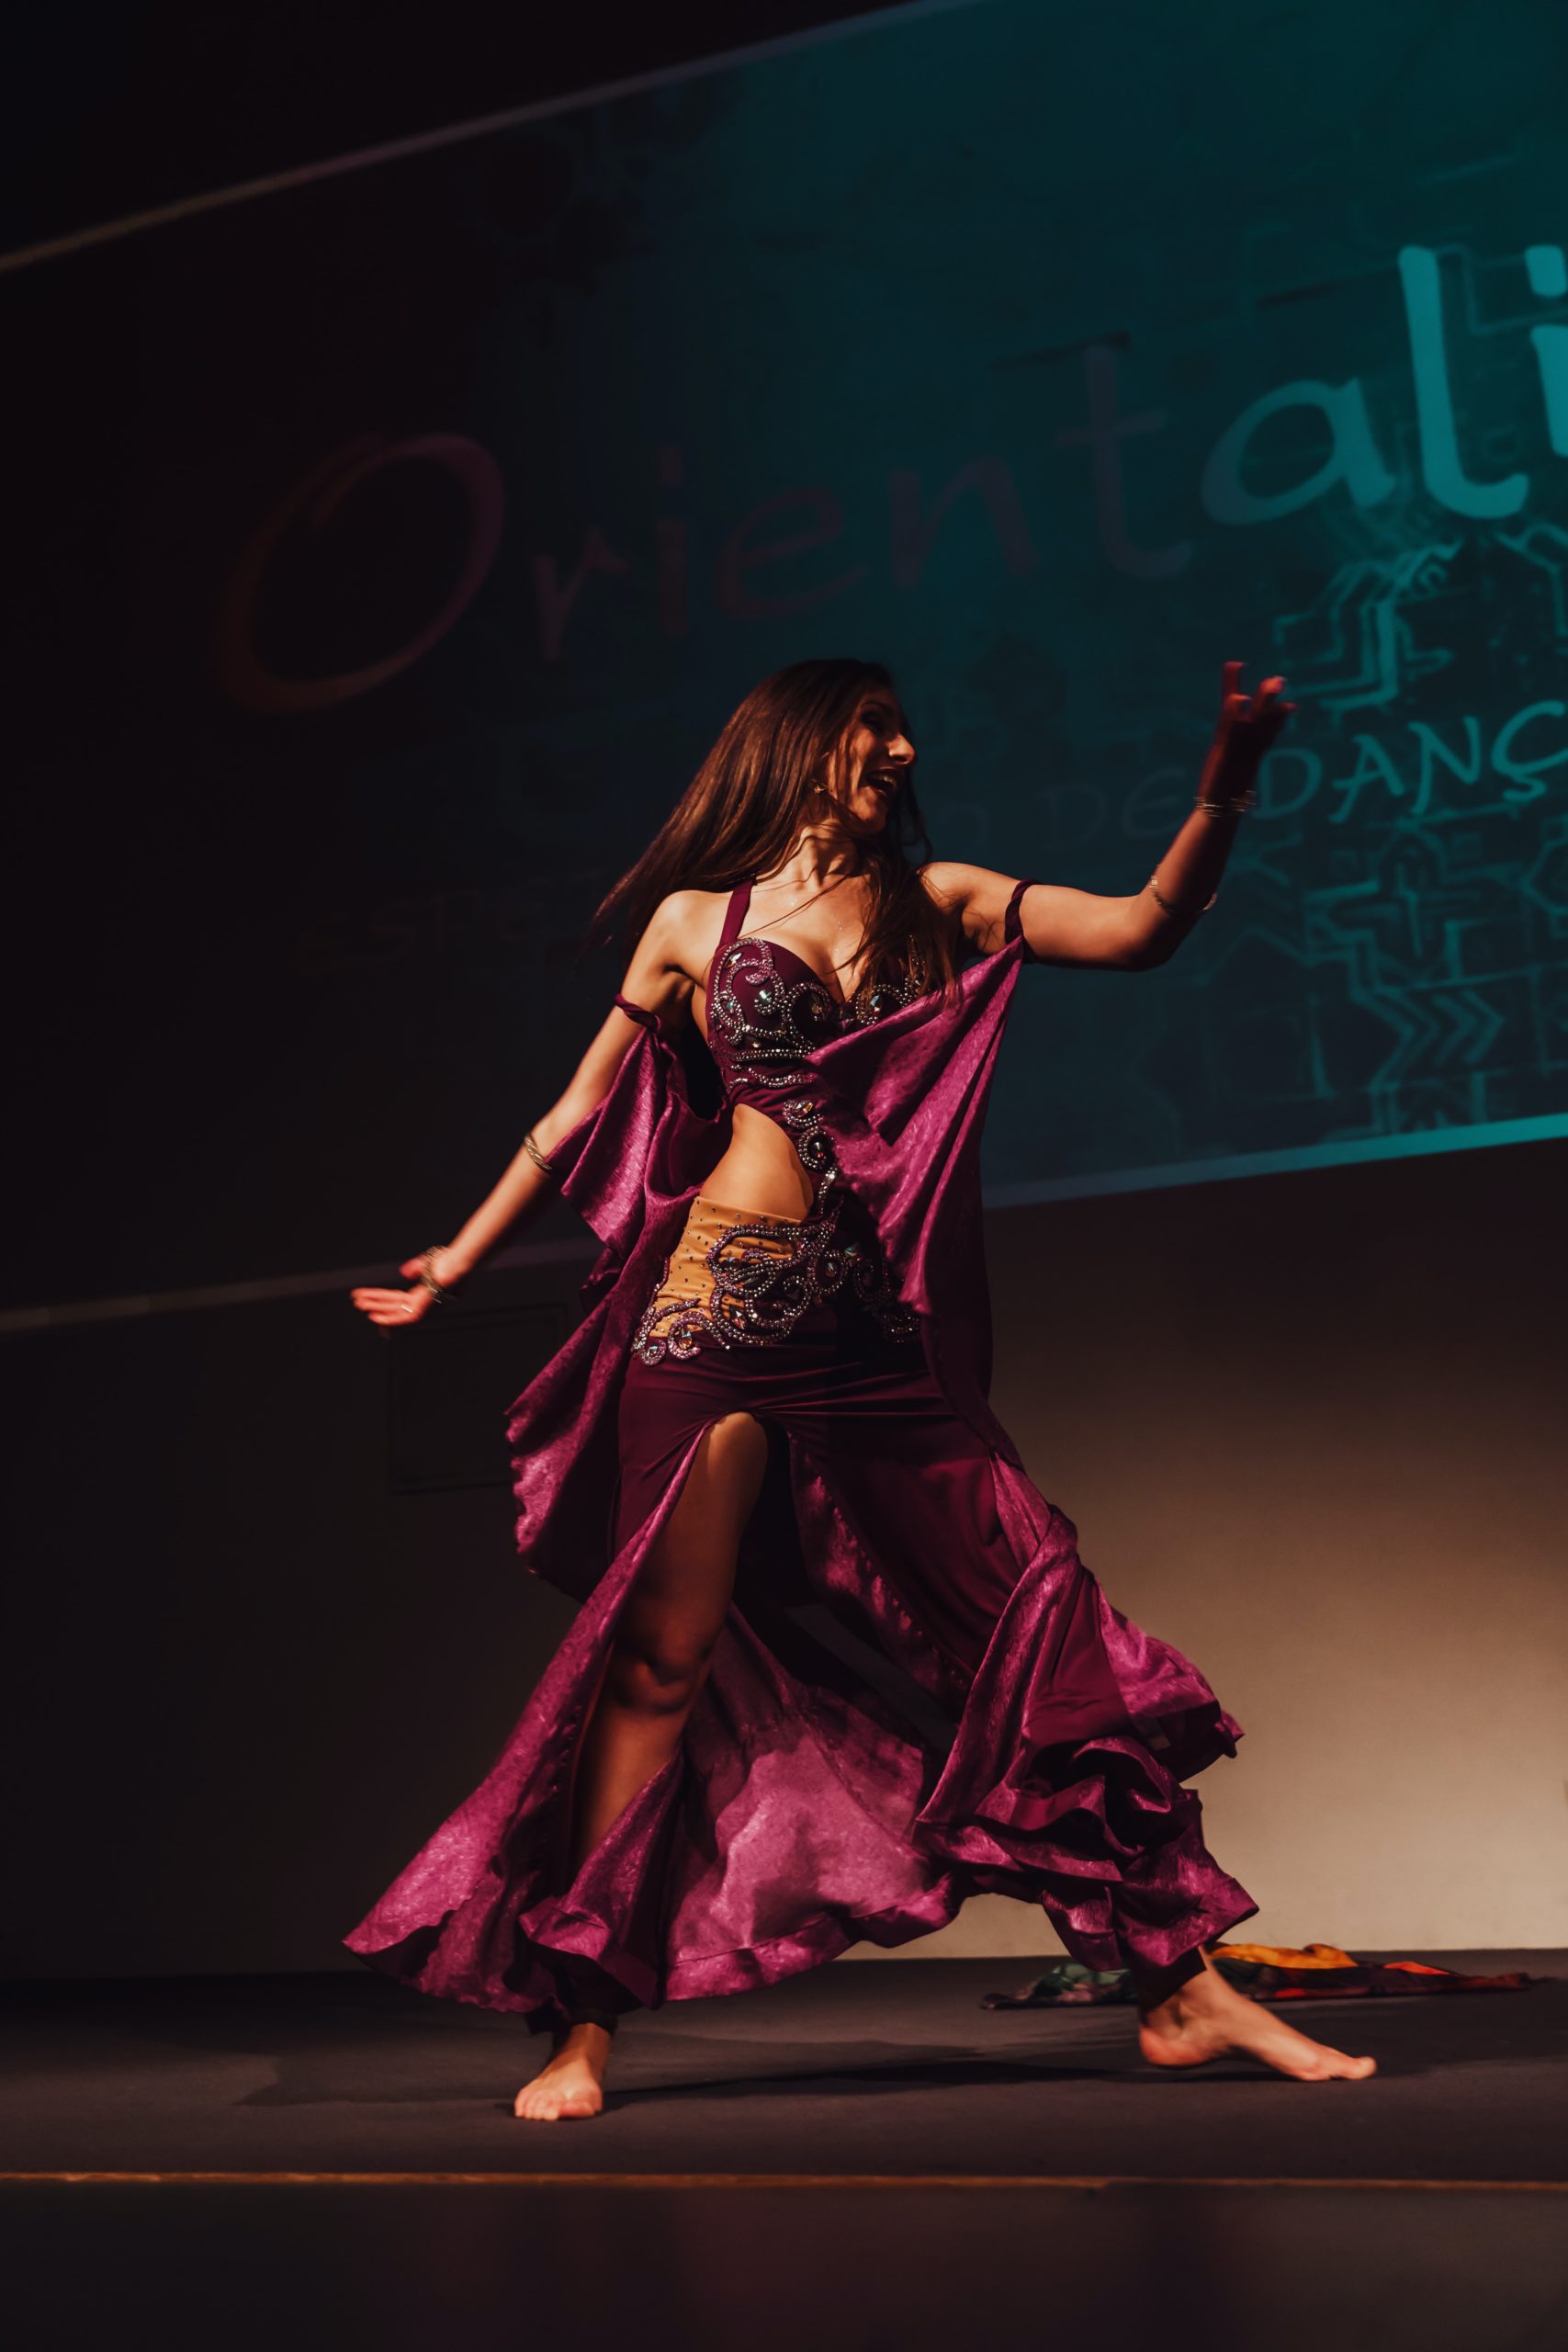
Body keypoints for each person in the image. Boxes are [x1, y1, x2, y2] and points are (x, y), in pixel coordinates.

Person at [346, 656, 1376, 2120]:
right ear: (798, 746)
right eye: (869, 727)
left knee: (1040, 1619)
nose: (898, 748)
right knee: (655, 1663)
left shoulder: (941, 897)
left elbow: (1143, 932)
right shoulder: (696, 924)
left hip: (870, 1340)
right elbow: (572, 1112)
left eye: (903, 730)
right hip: (710, 1320)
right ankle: (578, 2022)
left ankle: (1184, 1987)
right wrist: (453, 1260)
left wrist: (1229, 775)